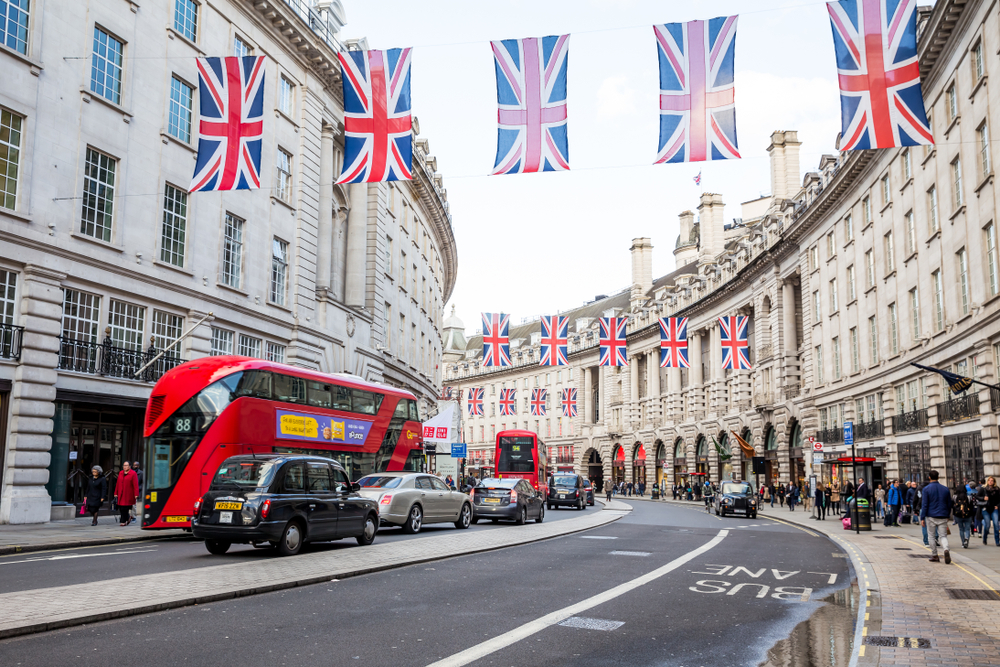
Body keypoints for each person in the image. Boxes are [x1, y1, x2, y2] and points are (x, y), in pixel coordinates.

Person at [920, 470, 954, 564]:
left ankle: (935, 555)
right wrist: (947, 515)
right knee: (943, 535)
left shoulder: (926, 489)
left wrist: (922, 517)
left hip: (931, 515)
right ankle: (946, 549)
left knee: (931, 536)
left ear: (929, 477)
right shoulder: (945, 489)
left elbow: (925, 505)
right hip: (943, 515)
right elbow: (949, 503)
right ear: (938, 477)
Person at [113, 461, 140, 527]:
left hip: (128, 494)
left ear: (129, 466)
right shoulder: (121, 473)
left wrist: (136, 494)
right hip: (120, 493)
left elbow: (135, 485)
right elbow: (118, 484)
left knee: (125, 508)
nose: (124, 467)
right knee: (120, 507)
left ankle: (123, 521)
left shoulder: (133, 474)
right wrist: (115, 492)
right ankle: (128, 517)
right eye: (124, 465)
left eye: (126, 465)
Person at [981, 476, 1000, 546]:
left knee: (996, 525)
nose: (990, 482)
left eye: (992, 480)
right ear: (987, 481)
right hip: (986, 509)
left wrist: (997, 506)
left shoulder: (997, 489)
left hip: (994, 509)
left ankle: (997, 541)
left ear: (994, 482)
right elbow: (977, 496)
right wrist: (983, 498)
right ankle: (985, 537)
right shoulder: (983, 489)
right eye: (989, 480)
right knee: (987, 525)